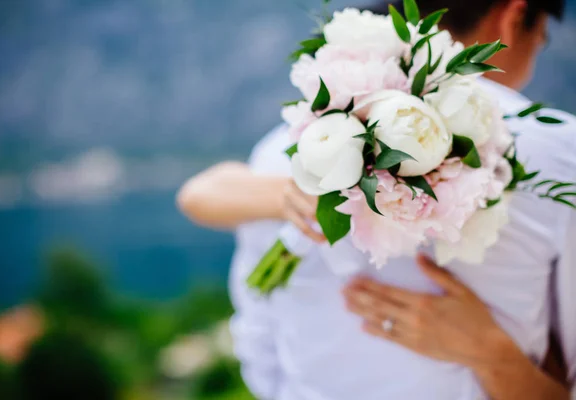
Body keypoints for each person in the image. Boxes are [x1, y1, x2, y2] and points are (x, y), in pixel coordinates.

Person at [178, 0, 576, 398]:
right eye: (539, 40)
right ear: (512, 18)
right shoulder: (560, 153)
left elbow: (261, 343)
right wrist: (494, 356)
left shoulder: (296, 145)